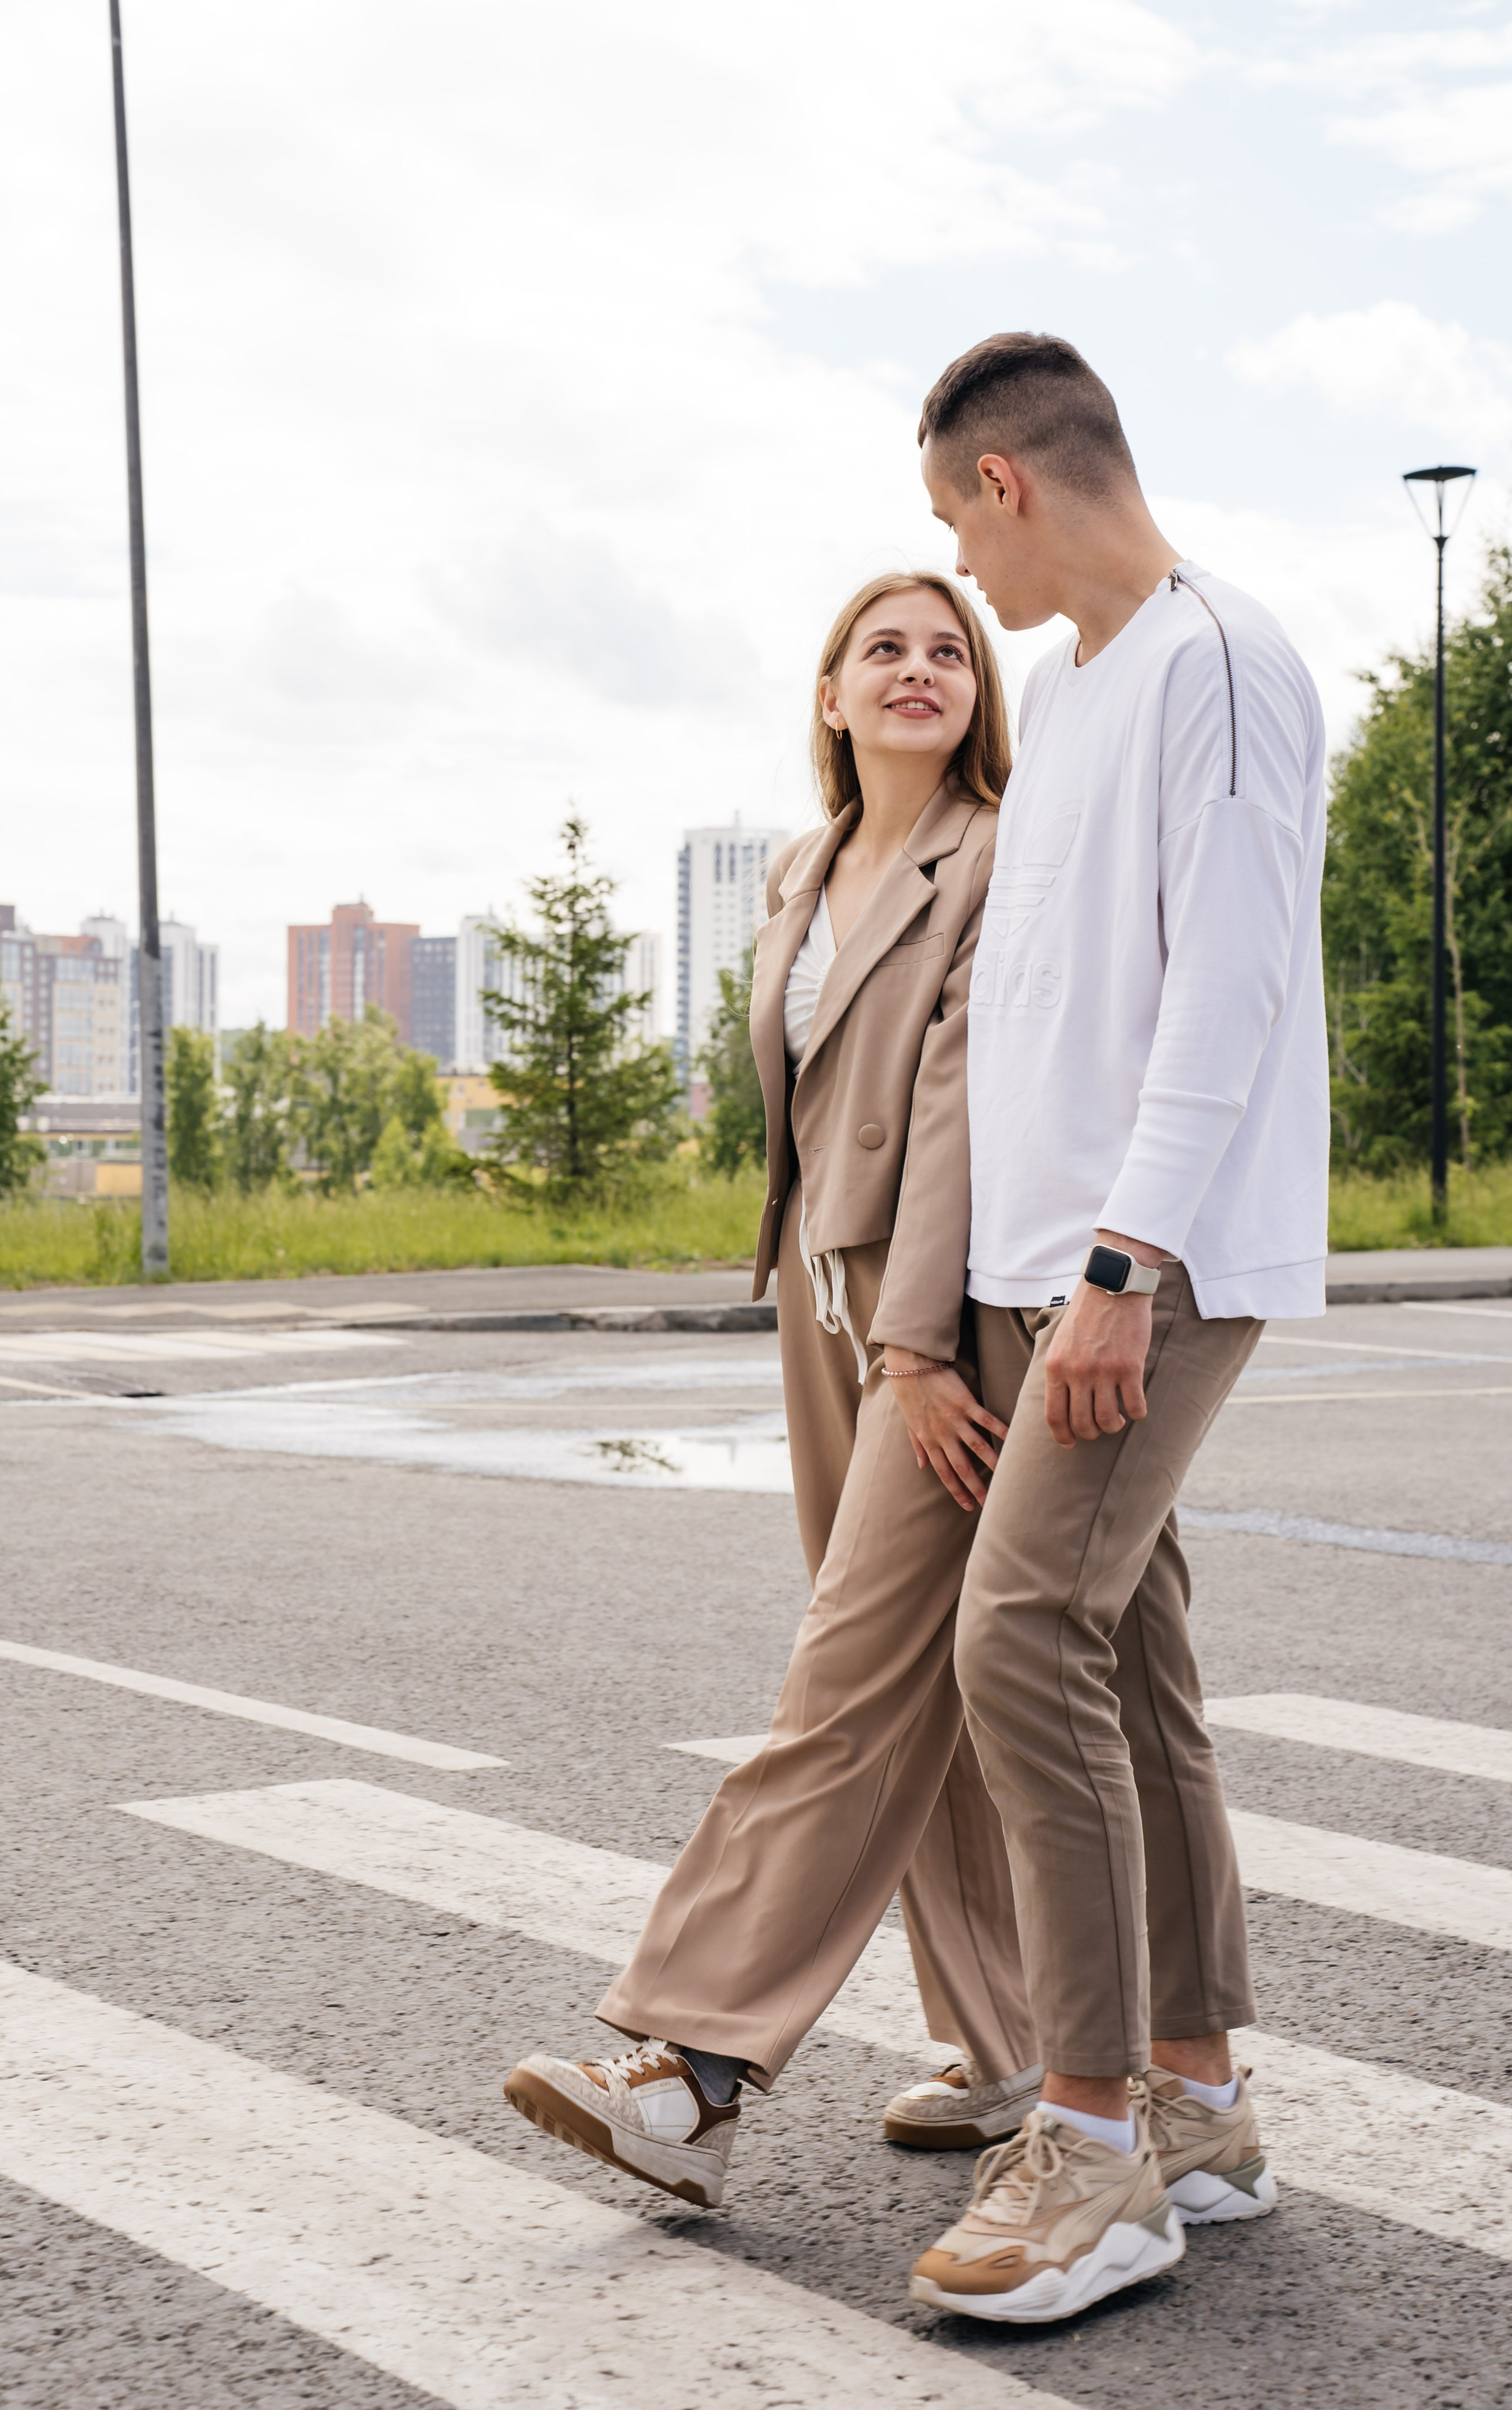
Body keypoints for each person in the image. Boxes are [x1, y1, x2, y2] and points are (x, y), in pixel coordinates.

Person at [503, 570, 1043, 2208]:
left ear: (979, 697)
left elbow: (962, 1099)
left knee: (845, 1679)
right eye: (883, 646)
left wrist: (920, 1341)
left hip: (928, 1312)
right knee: (915, 1684)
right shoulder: (806, 869)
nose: (918, 667)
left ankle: (694, 2066)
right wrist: (829, 1295)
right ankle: (1014, 2042)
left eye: (950, 648)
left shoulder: (998, 854)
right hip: (825, 1299)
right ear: (829, 694)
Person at [901, 333, 1330, 2326]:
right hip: (1051, 1264)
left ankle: (1090, 2151)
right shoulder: (1072, 688)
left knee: (1020, 1633)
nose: (963, 583)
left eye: (952, 527)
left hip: (1145, 1266)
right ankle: (1204, 2101)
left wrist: (1119, 1268)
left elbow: (1225, 991)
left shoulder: (1218, 661)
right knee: (1135, 1655)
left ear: (1007, 483)